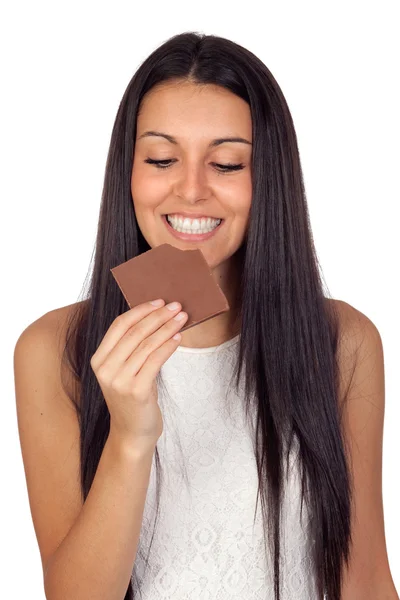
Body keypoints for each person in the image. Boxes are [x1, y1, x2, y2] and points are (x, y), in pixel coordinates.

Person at [13, 32, 398, 600]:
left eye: (225, 163)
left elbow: (364, 580)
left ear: (267, 179)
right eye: (162, 159)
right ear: (128, 172)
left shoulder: (342, 341)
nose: (191, 190)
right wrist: (131, 436)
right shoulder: (55, 348)